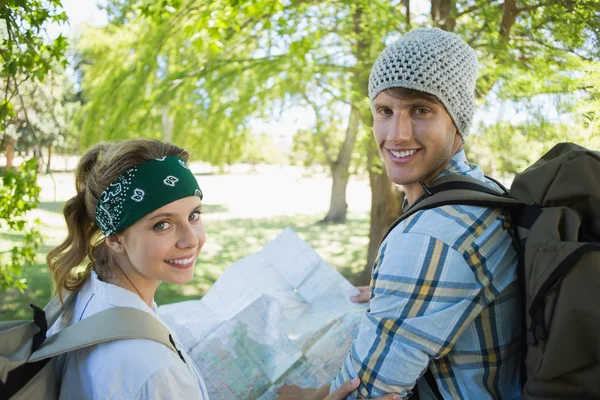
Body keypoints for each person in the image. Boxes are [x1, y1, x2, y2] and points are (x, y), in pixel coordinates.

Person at [45, 138, 398, 400]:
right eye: (162, 225)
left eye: (194, 215)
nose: (191, 239)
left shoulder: (85, 297)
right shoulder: (154, 369)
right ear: (116, 239)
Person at [279, 28, 522, 400]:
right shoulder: (482, 192)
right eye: (385, 111)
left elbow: (359, 394)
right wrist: (391, 293)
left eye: (421, 110)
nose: (397, 134)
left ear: (456, 120)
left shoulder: (429, 239)